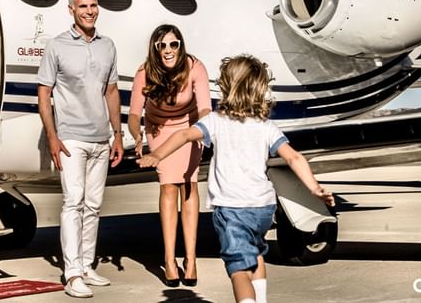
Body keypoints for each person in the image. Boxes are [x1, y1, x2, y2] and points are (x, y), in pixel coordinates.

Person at [137, 55, 335, 303]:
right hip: (262, 208)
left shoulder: (216, 122)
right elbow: (294, 158)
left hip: (232, 209)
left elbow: (184, 136)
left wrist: (157, 153)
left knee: (238, 270)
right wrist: (314, 188)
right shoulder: (266, 126)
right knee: (255, 255)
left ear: (227, 88)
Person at [37, 0, 124, 298]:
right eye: (83, 6)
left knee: (94, 205)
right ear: (71, 9)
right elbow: (43, 94)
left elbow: (111, 92)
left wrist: (117, 134)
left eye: (93, 5)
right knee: (73, 203)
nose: (89, 11)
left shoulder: (107, 45)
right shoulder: (57, 46)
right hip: (71, 139)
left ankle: (87, 265)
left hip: (102, 138)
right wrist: (52, 136)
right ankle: (72, 272)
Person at [128, 24, 211, 287]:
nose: (167, 50)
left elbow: (207, 108)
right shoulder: (144, 72)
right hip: (159, 129)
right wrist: (137, 134)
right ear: (154, 48)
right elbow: (133, 113)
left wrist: (207, 131)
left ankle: (191, 258)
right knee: (168, 186)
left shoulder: (195, 67)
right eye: (161, 45)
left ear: (180, 45)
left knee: (189, 185)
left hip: (189, 126)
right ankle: (169, 257)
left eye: (173, 44)